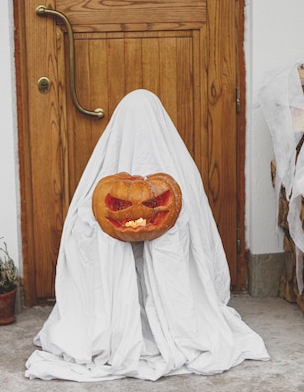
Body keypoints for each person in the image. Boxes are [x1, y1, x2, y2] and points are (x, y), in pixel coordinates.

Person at [25, 89, 269, 381]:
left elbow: (189, 216)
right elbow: (90, 215)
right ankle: (129, 329)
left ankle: (159, 326)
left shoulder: (172, 175)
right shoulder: (109, 174)